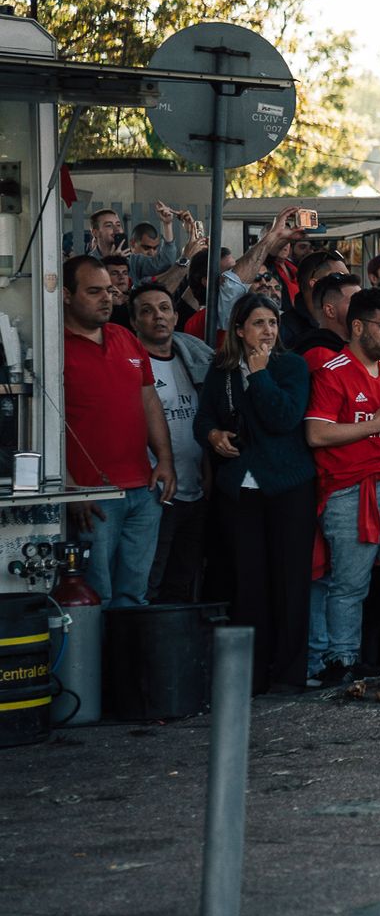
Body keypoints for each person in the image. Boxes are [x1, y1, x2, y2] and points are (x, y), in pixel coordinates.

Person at [195, 293, 314, 694]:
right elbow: (204, 416)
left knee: (290, 580)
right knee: (248, 581)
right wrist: (212, 435)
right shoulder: (223, 369)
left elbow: (284, 418)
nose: (268, 331)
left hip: (288, 485)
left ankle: (289, 673)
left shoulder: (291, 366)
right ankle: (252, 673)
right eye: (259, 323)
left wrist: (260, 375)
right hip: (240, 486)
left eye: (273, 323)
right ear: (240, 330)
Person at [304, 288, 380, 683]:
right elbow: (317, 435)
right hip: (349, 493)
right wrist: (374, 424)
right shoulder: (332, 372)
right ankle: (342, 662)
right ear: (357, 326)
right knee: (350, 585)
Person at [63, 256, 175, 607]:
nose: (106, 298)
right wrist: (69, 486)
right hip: (91, 497)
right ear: (66, 295)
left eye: (109, 291)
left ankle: (127, 664)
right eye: (94, 291)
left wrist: (166, 459)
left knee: (133, 597)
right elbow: (44, 422)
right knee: (95, 597)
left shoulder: (125, 337)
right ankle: (97, 665)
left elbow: (149, 401)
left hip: (143, 491)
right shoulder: (54, 348)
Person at [128, 282, 213, 602]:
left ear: (176, 316)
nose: (158, 317)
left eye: (164, 309)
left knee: (183, 580)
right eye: (146, 311)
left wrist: (208, 470)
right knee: (149, 579)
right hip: (154, 493)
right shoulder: (132, 366)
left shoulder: (194, 359)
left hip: (195, 490)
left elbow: (205, 420)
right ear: (134, 323)